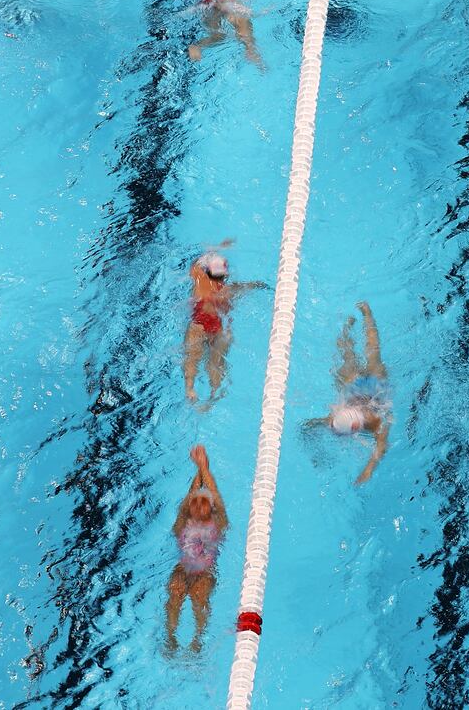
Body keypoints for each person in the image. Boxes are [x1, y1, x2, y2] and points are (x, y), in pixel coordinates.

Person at [304, 302, 391, 485]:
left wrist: (368, 470)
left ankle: (363, 317)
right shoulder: (374, 423)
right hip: (373, 387)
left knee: (352, 354)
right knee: (368, 353)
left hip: (361, 388)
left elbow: (382, 447)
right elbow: (381, 447)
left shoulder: (374, 424)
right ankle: (357, 320)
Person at [182, 242, 267, 405]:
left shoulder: (199, 283)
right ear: (225, 275)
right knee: (216, 363)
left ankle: (190, 389)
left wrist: (217, 248)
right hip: (219, 329)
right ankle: (214, 393)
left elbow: (199, 261)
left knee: (192, 357)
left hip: (198, 326)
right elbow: (248, 286)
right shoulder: (229, 291)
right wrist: (259, 285)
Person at [165, 444, 228, 654]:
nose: (200, 503)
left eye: (204, 502)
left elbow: (214, 494)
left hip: (204, 574)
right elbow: (195, 494)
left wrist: (203, 468)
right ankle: (171, 639)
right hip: (181, 571)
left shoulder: (218, 523)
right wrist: (201, 469)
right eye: (197, 502)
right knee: (175, 599)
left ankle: (197, 640)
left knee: (199, 604)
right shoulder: (183, 521)